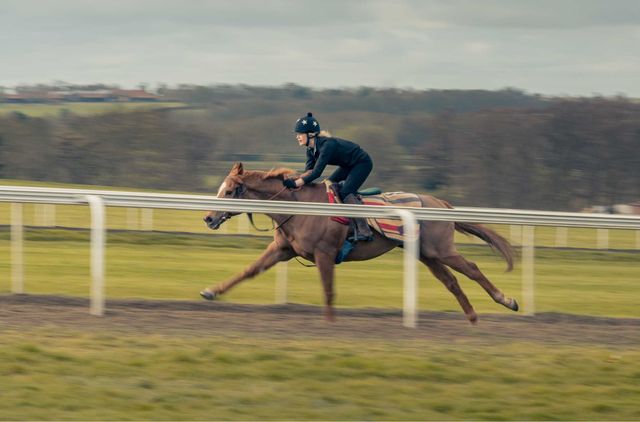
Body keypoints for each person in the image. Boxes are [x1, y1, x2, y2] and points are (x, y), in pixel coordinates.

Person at [283, 112, 374, 241]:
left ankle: (364, 231)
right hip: (348, 165)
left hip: (362, 163)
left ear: (310, 134)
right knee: (329, 183)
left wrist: (297, 183)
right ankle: (343, 220)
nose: (297, 137)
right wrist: (296, 179)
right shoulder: (310, 149)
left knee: (345, 192)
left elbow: (317, 172)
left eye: (299, 134)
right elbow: (308, 171)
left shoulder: (327, 145)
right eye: (297, 134)